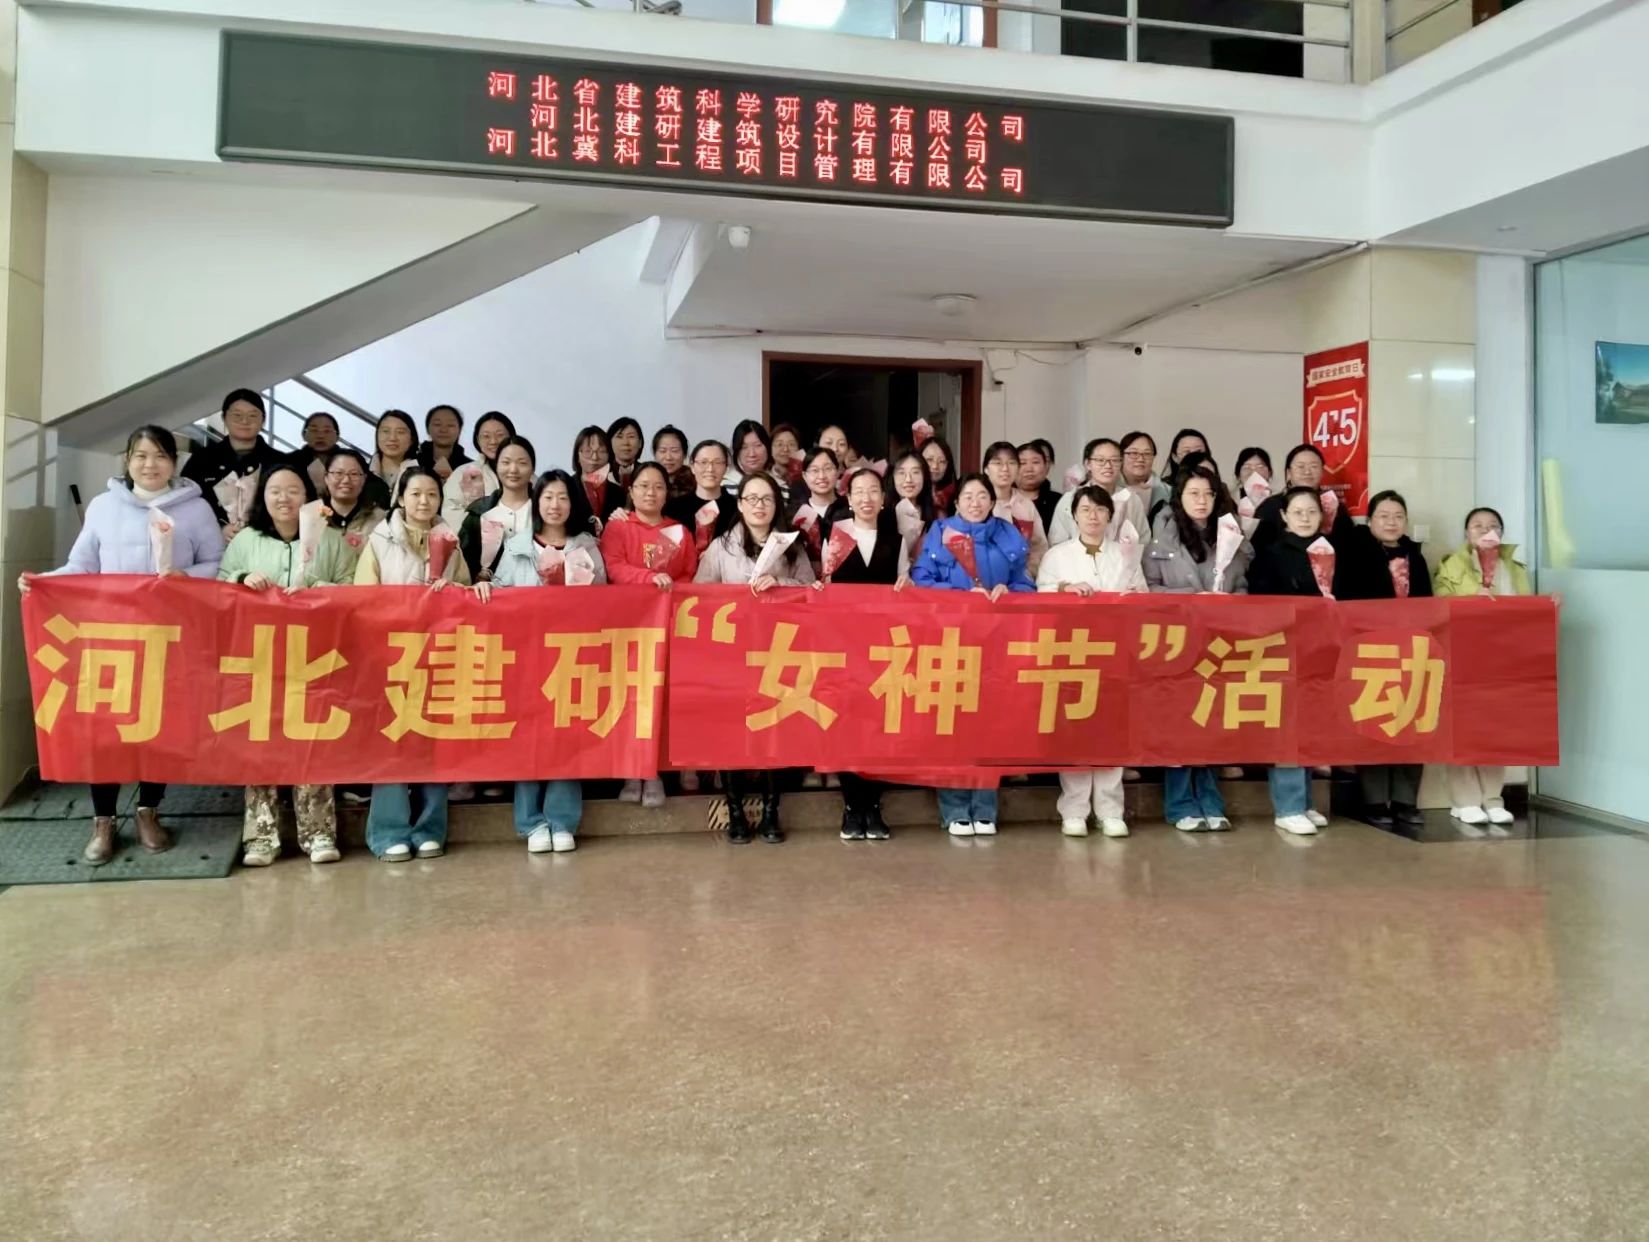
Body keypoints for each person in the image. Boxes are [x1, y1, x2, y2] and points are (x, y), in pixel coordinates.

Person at [24, 425, 222, 864]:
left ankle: (149, 810)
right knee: (106, 731)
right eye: (141, 456)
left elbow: (216, 561)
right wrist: (43, 583)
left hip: (171, 638)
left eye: (160, 456)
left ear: (174, 462)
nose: (150, 464)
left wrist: (186, 577)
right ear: (127, 460)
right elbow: (81, 565)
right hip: (111, 639)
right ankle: (104, 821)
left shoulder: (196, 509)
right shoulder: (103, 506)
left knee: (160, 726)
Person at [219, 464, 352, 867]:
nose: (284, 498)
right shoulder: (247, 539)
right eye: (275, 490)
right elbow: (220, 586)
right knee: (260, 743)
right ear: (263, 496)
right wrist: (242, 577)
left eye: (293, 490)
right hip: (260, 656)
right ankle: (261, 836)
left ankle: (319, 832)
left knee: (312, 742)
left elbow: (353, 589)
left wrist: (318, 590)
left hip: (315, 658)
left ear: (308, 497)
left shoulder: (332, 540)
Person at [356, 468, 480, 860]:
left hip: (438, 654)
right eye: (415, 494)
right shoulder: (379, 540)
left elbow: (465, 594)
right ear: (400, 497)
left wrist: (452, 591)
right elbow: (363, 598)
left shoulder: (450, 540)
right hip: (392, 653)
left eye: (431, 494)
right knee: (392, 742)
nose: (424, 501)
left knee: (433, 741)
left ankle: (429, 828)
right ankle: (388, 831)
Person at [694, 473, 816, 844]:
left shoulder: (792, 547)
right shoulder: (721, 547)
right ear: (740, 504)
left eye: (767, 499)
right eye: (752, 498)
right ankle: (735, 812)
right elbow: (699, 595)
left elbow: (812, 592)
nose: (759, 506)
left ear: (777, 505)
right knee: (731, 732)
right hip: (731, 652)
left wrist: (782, 586)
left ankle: (771, 811)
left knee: (774, 729)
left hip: (777, 651)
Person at [914, 473, 1035, 836]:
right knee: (951, 723)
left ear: (992, 501)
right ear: (956, 502)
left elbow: (1026, 584)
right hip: (949, 640)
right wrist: (959, 596)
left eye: (982, 496)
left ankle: (985, 807)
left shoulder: (1007, 534)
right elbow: (922, 580)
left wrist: (1009, 592)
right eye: (968, 496)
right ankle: (954, 809)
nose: (975, 502)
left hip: (996, 643)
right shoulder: (941, 532)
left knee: (989, 724)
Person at [493, 469, 606, 854]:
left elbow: (605, 601)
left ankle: (562, 819)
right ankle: (531, 822)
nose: (555, 505)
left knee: (566, 736)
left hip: (571, 655)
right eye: (547, 497)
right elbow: (500, 598)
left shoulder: (586, 546)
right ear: (536, 502)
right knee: (527, 738)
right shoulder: (515, 546)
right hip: (525, 657)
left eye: (563, 497)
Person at [1144, 470, 1250, 831]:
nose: (1201, 500)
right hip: (1176, 643)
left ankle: (1211, 801)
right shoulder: (1161, 540)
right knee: (1178, 725)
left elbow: (1243, 588)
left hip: (1219, 644)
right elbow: (1149, 591)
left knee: (1211, 723)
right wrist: (1192, 599)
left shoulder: (1230, 537)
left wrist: (1229, 603)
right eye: (1193, 493)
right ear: (1179, 497)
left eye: (1208, 493)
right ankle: (1179, 805)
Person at [1037, 486, 1144, 839]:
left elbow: (1143, 595)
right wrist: (1064, 589)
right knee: (1076, 731)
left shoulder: (1125, 554)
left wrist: (1131, 598)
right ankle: (1074, 809)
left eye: (1100, 510)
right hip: (1073, 652)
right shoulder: (1057, 556)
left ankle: (1110, 810)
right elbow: (1039, 595)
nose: (1093, 516)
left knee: (1113, 731)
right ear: (1074, 515)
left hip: (1116, 653)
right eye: (1085, 509)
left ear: (1110, 515)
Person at [602, 462, 698, 810]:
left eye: (658, 486)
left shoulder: (679, 532)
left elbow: (689, 574)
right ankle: (633, 771)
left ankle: (654, 772)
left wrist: (671, 588)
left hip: (666, 627)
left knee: (659, 700)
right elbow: (613, 567)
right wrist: (648, 578)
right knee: (631, 699)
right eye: (643, 486)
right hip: (627, 627)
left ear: (666, 493)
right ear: (631, 491)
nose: (651, 492)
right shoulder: (618, 527)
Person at [1335, 489, 1432, 829]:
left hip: (1411, 652)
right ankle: (1374, 800)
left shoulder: (1415, 556)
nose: (1391, 522)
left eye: (1398, 516)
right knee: (1374, 722)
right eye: (1384, 516)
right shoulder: (1354, 552)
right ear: (1370, 519)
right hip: (1371, 651)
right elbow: (1345, 601)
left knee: (1411, 721)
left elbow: (1429, 604)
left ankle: (1406, 801)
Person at [826, 467, 913, 841]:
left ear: (883, 499)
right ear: (848, 499)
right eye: (858, 491)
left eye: (873, 490)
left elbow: (906, 586)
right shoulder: (835, 536)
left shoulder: (897, 540)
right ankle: (851, 806)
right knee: (846, 725)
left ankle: (873, 806)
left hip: (884, 648)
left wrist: (907, 586)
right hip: (843, 646)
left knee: (879, 726)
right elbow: (824, 585)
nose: (866, 498)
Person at [1246, 486, 1337, 836]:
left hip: (1324, 650)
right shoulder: (1271, 554)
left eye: (1311, 511)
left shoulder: (1331, 551)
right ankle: (1288, 806)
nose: (1305, 518)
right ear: (1284, 515)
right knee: (1287, 727)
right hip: (1284, 649)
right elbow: (1261, 601)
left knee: (1312, 726)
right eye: (1297, 511)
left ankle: (1305, 801)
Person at [1434, 507, 1530, 827]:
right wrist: (1470, 598)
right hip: (1462, 655)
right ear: (1467, 533)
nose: (1485, 530)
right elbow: (1437, 606)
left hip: (1503, 658)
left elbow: (1527, 609)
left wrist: (1547, 605)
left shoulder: (1514, 568)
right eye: (1477, 525)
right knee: (1460, 729)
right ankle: (1465, 800)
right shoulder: (1451, 565)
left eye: (1493, 526)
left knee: (1494, 729)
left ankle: (1493, 798)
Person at [182, 388, 284, 537]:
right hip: (209, 542)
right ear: (224, 418)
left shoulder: (280, 462)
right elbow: (185, 501)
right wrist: (217, 528)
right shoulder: (202, 459)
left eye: (252, 415)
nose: (245, 421)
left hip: (266, 541)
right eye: (237, 415)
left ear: (263, 420)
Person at [457, 435, 536, 583]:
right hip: (488, 594)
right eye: (506, 462)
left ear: (533, 468)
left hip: (535, 592)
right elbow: (461, 563)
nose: (513, 469)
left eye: (522, 463)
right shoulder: (479, 513)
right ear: (497, 466)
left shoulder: (544, 511)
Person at [1251, 445, 1355, 550]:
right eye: (1300, 466)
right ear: (1288, 473)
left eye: (1314, 466)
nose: (1307, 472)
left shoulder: (1334, 507)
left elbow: (1348, 547)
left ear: (1322, 472)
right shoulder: (1270, 506)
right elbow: (1257, 549)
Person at [982, 440, 1049, 576]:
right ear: (986, 469)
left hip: (1022, 580)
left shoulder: (1026, 505)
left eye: (1011, 463)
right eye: (998, 463)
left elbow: (1039, 547)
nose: (1005, 469)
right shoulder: (975, 502)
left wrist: (1027, 573)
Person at [318, 448, 387, 581]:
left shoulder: (379, 519)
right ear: (326, 477)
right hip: (320, 589)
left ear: (364, 479)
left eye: (354, 474)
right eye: (338, 473)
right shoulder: (311, 517)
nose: (346, 480)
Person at [782, 446, 849, 578]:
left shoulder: (850, 510)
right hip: (803, 583)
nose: (821, 476)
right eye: (814, 470)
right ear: (804, 476)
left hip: (844, 583)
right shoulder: (792, 513)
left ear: (838, 472)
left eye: (828, 469)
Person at [442, 410, 515, 529]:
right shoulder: (464, 472)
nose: (493, 441)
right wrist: (478, 532)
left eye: (500, 435)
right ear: (477, 439)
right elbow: (450, 512)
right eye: (486, 436)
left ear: (511, 437)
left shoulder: (524, 473)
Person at [664, 438, 738, 549]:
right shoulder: (673, 508)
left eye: (717, 462)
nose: (710, 469)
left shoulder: (737, 509)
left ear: (726, 467)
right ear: (692, 467)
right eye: (703, 462)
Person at [888, 450, 939, 563]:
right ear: (892, 477)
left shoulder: (937, 516)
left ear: (925, 477)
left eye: (915, 472)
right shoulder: (881, 515)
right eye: (901, 473)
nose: (908, 479)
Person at [573, 425, 626, 529]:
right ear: (577, 456)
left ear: (609, 455)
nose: (594, 457)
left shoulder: (618, 493)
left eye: (601, 451)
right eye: (588, 451)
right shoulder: (566, 487)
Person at [369, 409, 419, 508]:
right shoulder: (361, 473)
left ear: (412, 439)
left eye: (400, 432)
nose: (392, 438)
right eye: (386, 431)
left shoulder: (422, 476)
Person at [1119, 431, 1171, 522]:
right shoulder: (1109, 489)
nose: (1140, 459)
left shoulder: (1168, 492)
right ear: (1120, 456)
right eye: (1134, 453)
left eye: (1147, 454)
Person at [286, 413, 340, 497]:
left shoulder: (350, 461)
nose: (320, 436)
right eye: (314, 430)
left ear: (337, 437)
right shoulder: (289, 461)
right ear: (304, 435)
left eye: (327, 431)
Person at [415, 404, 470, 482]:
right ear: (427, 429)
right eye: (437, 424)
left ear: (459, 430)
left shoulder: (470, 467)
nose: (443, 430)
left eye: (450, 425)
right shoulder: (413, 463)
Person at [1017, 441, 1063, 534]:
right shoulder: (1001, 501)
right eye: (1022, 463)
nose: (1029, 469)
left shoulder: (1060, 502)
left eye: (1035, 462)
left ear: (1046, 466)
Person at [728, 420, 778, 496]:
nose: (752, 454)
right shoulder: (726, 487)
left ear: (768, 447)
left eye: (758, 445)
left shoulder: (780, 485)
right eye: (744, 447)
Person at [653, 424, 694, 499]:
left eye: (674, 451)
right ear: (655, 454)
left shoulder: (696, 482)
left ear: (685, 454)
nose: (668, 457)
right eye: (662, 451)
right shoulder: (646, 479)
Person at [921, 436, 959, 515]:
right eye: (929, 460)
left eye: (941, 461)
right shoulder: (912, 495)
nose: (935, 466)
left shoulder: (956, 496)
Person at [607, 416, 645, 491]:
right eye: (619, 437)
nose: (625, 443)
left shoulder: (647, 472)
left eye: (631, 437)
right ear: (609, 442)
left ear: (640, 443)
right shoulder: (602, 473)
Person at [770, 423, 804, 488]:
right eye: (779, 444)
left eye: (791, 444)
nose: (785, 449)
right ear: (770, 449)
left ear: (799, 449)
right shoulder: (764, 479)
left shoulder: (807, 479)